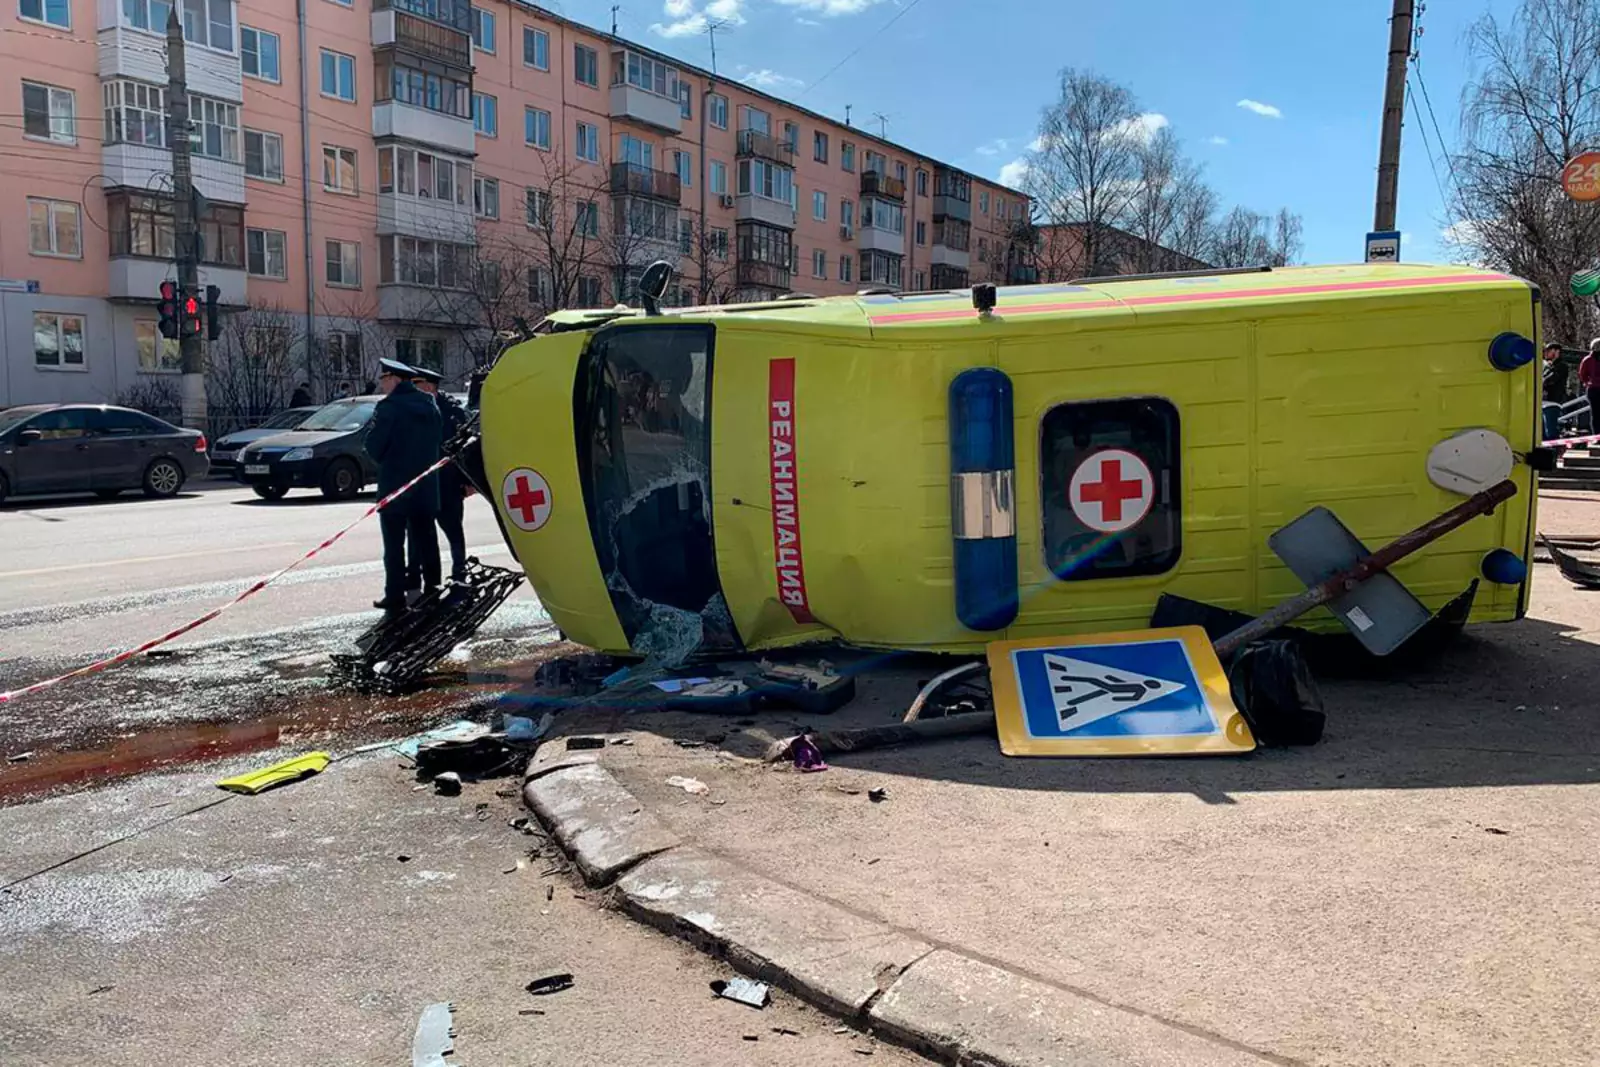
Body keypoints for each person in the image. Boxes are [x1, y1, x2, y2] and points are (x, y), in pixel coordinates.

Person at [365, 357, 441, 612]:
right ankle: (433, 589)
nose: (382, 385)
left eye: (384, 379)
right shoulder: (429, 403)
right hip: (427, 486)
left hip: (395, 488)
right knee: (427, 540)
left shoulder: (388, 407)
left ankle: (395, 594)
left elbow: (374, 447)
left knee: (394, 546)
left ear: (394, 379)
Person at [408, 365, 470, 583]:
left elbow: (463, 450)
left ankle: (460, 570)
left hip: (447, 483)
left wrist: (466, 482)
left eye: (418, 385)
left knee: (453, 529)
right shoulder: (415, 411)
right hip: (421, 485)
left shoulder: (451, 413)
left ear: (429, 387)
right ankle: (414, 573)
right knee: (416, 534)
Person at [1542, 344, 1566, 442]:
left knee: (1551, 431)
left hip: (1553, 401)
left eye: (1549, 351)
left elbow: (1551, 379)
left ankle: (1554, 453)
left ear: (1556, 352)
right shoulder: (1548, 366)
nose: (1546, 353)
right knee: (1543, 432)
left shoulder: (1561, 366)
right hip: (1544, 401)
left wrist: (1543, 381)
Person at [1582, 340, 1600, 435]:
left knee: (1595, 414)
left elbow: (1582, 374)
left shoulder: (1587, 359)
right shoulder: (1588, 360)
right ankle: (1597, 436)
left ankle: (1596, 436)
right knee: (1595, 414)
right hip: (1594, 388)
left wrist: (1587, 382)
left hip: (1593, 388)